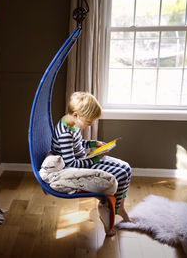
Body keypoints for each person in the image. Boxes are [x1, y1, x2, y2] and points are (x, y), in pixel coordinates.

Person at [51, 91, 134, 236]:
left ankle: (120, 207)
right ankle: (110, 212)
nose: (91, 125)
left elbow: (77, 144)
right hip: (77, 165)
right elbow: (71, 164)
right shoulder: (64, 133)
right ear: (76, 115)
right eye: (89, 122)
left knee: (126, 168)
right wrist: (95, 158)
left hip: (84, 159)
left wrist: (93, 143)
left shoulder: (72, 123)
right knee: (119, 174)